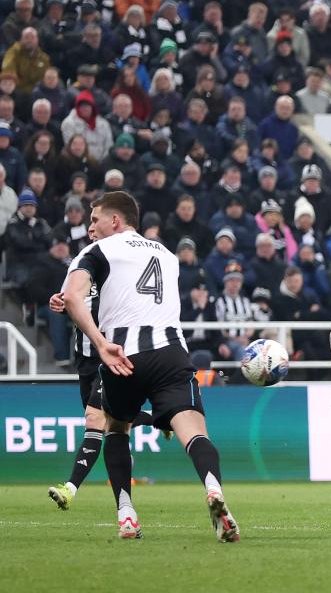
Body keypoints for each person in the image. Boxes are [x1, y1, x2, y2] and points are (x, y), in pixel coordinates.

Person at [61, 191, 239, 541]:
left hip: (122, 354)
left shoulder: (97, 251)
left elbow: (72, 296)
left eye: (95, 219)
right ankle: (214, 490)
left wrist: (100, 343)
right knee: (194, 431)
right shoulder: (168, 255)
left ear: (116, 220)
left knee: (116, 428)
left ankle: (126, 514)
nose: (90, 226)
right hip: (171, 351)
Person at [45, 224, 155, 510]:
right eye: (90, 226)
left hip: (111, 354)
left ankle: (69, 489)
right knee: (107, 421)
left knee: (94, 421)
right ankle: (160, 419)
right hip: (84, 359)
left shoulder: (118, 266)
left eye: (97, 224)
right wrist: (59, 301)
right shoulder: (81, 265)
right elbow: (68, 298)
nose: (92, 230)